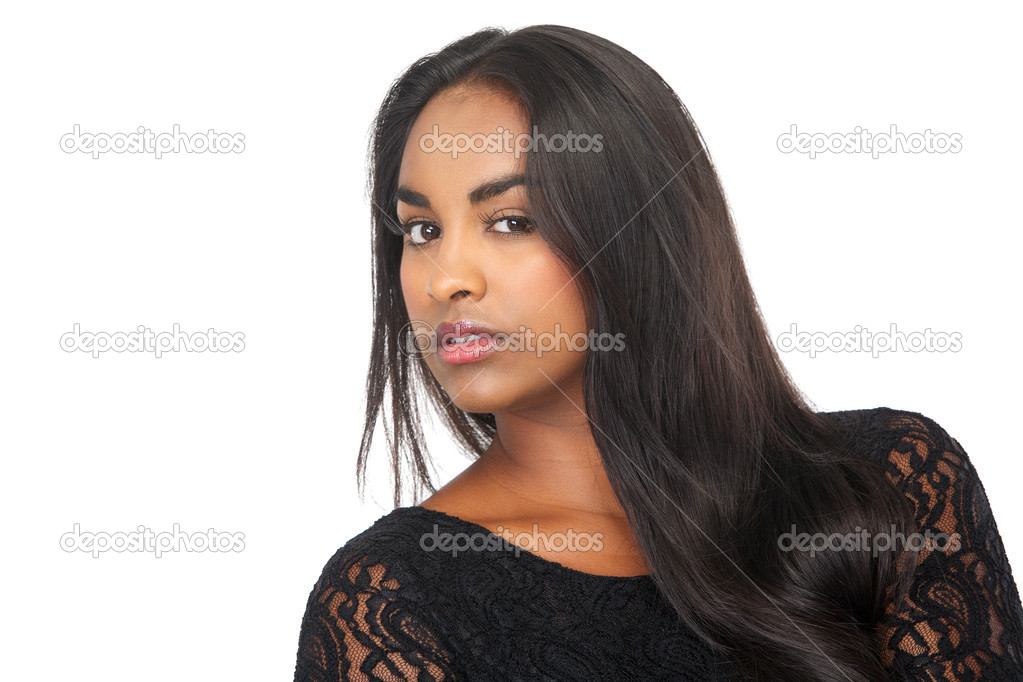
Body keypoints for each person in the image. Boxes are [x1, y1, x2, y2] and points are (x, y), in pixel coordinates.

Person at [293, 24, 1023, 680]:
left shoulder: (891, 484)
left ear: (637, 232)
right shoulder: (393, 602)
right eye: (419, 231)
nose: (446, 278)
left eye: (511, 220)